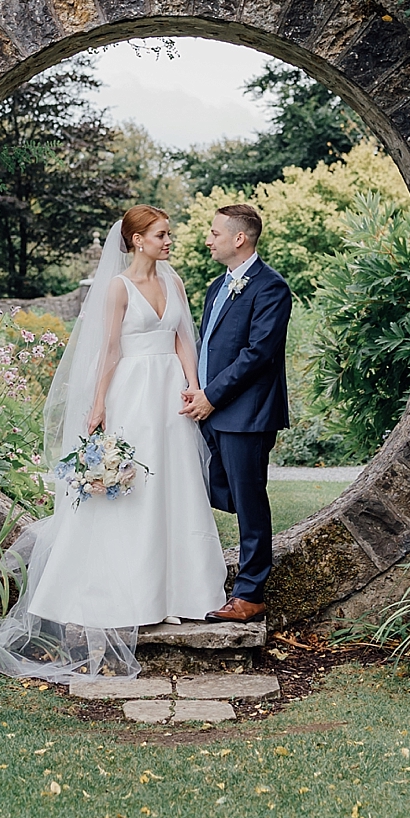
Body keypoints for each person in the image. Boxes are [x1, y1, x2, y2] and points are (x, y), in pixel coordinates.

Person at [0, 205, 228, 679]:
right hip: (133, 395)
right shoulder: (118, 287)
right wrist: (99, 404)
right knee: (135, 489)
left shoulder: (175, 282)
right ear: (137, 240)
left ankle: (181, 593)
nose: (169, 241)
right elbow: (110, 348)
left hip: (170, 395)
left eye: (169, 234)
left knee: (176, 485)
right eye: (161, 235)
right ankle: (136, 594)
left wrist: (193, 385)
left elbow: (183, 339)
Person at [183, 203, 291, 620]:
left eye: (214, 233)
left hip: (246, 414)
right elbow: (209, 346)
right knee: (208, 491)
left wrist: (212, 395)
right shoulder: (217, 287)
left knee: (249, 503)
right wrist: (196, 391)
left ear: (239, 238)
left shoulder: (271, 287)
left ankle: (250, 595)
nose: (208, 240)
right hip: (209, 409)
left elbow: (258, 354)